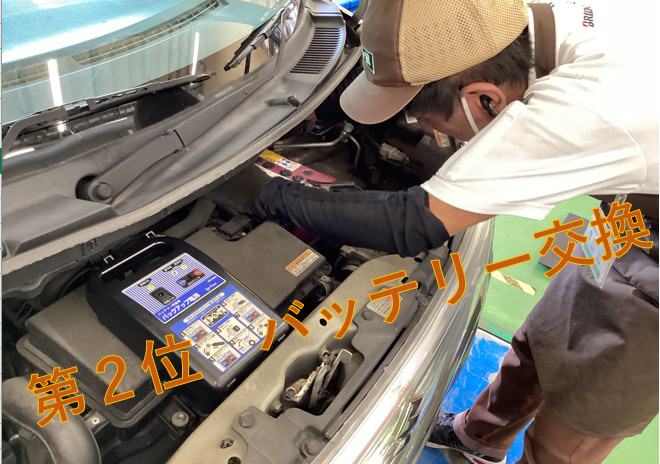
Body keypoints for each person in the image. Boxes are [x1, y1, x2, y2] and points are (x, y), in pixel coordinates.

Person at [256, 0, 659, 463]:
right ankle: (478, 440)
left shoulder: (586, 108)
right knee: (546, 333)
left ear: (486, 99)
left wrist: (266, 193)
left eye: (424, 122)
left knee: (583, 412)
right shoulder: (523, 24)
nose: (423, 130)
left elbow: (412, 222)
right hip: (633, 212)